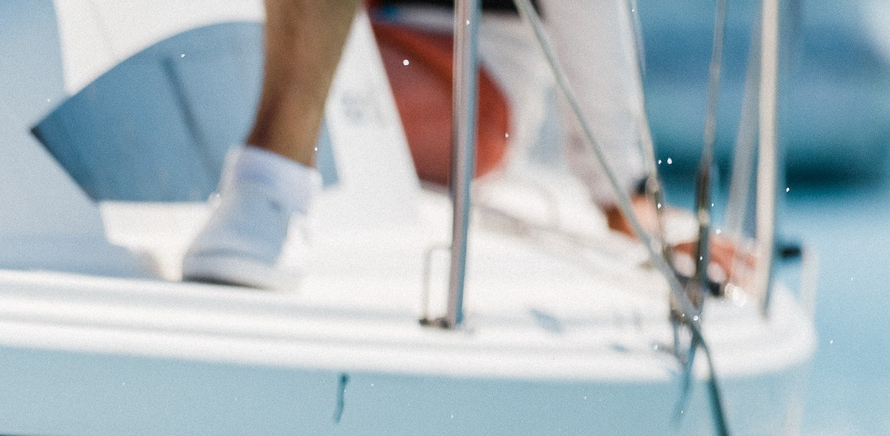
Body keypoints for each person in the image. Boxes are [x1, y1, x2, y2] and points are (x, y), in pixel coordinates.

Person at [182, 0, 656, 292]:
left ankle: (274, 182)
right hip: (354, 33)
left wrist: (619, 188)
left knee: (225, 83)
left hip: (467, 68)